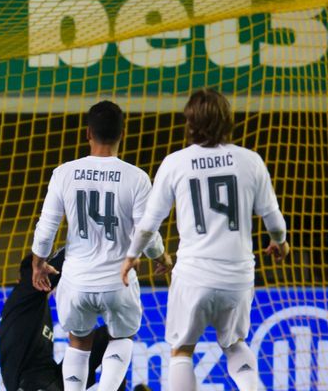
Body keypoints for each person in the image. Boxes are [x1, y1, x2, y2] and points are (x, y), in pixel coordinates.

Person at [120, 88, 290, 391]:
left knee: (181, 350)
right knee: (236, 344)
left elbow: (149, 223)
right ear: (228, 120)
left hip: (193, 274)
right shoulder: (250, 161)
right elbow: (274, 220)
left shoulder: (176, 162)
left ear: (190, 123)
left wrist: (132, 256)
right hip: (238, 275)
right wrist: (280, 242)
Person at [31, 100, 171, 391]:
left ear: (87, 133)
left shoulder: (64, 172)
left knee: (78, 342)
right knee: (122, 338)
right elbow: (147, 231)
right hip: (117, 281)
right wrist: (161, 257)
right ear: (122, 134)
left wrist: (38, 263)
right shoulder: (137, 178)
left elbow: (46, 229)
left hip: (76, 280)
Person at [0, 248, 128, 391]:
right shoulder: (25, 290)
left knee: (112, 333)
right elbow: (63, 260)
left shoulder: (32, 306)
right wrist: (91, 241)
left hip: (48, 377)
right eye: (46, 268)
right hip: (32, 384)